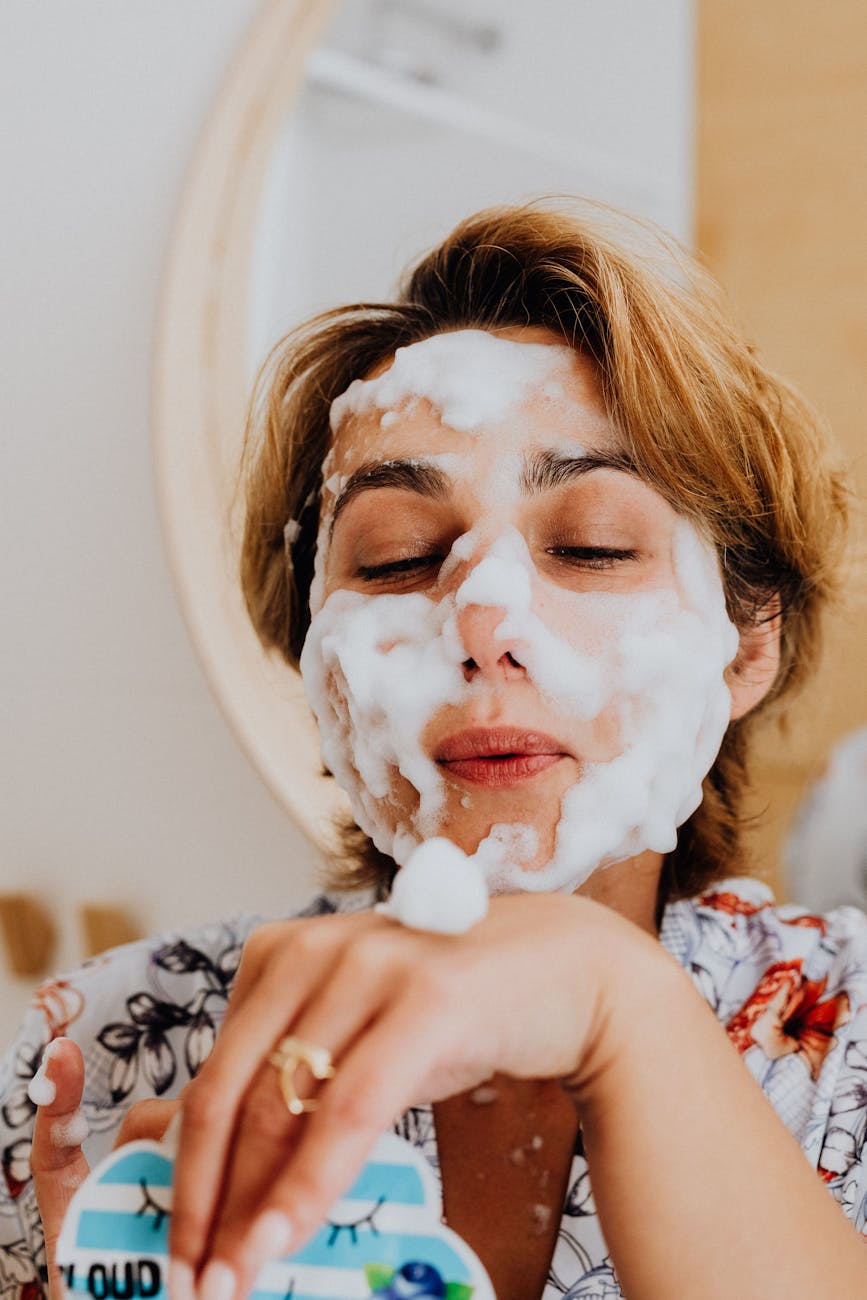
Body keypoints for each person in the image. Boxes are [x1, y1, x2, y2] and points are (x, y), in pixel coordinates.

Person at [2, 202, 866, 1300]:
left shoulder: (851, 1052)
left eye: (592, 546)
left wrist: (616, 1002)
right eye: (399, 556)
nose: (482, 619)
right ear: (316, 648)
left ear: (747, 647)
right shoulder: (109, 1052)